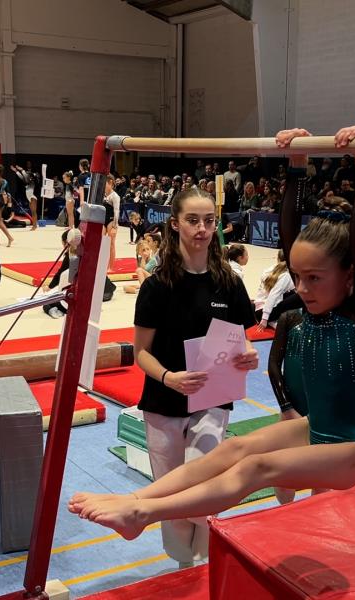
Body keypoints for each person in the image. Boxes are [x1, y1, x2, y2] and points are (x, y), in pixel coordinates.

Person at [68, 124, 355, 548]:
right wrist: (296, 165)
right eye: (297, 277)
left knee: (256, 470)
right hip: (316, 427)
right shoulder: (306, 301)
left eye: (314, 279)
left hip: (352, 448)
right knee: (231, 453)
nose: (301, 289)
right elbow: (290, 239)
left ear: (349, 279)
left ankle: (143, 511)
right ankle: (135, 501)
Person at [90, 186, 258, 566]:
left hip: (211, 400)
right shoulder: (157, 286)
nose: (202, 228)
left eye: (209, 221)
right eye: (193, 220)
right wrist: (169, 378)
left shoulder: (228, 282)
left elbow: (240, 339)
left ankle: (203, 565)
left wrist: (246, 356)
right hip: (164, 402)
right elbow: (142, 354)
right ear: (175, 224)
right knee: (169, 496)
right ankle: (184, 565)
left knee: (204, 490)